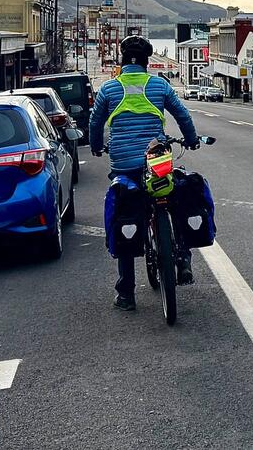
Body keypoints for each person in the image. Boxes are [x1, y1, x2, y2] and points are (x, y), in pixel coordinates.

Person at [90, 34, 200, 311]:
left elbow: (95, 123)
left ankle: (126, 292)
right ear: (148, 61)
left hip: (124, 163)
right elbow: (182, 115)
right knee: (172, 196)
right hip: (157, 159)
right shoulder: (159, 85)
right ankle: (183, 256)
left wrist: (94, 146)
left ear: (122, 60)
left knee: (124, 215)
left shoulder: (109, 89)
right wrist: (191, 139)